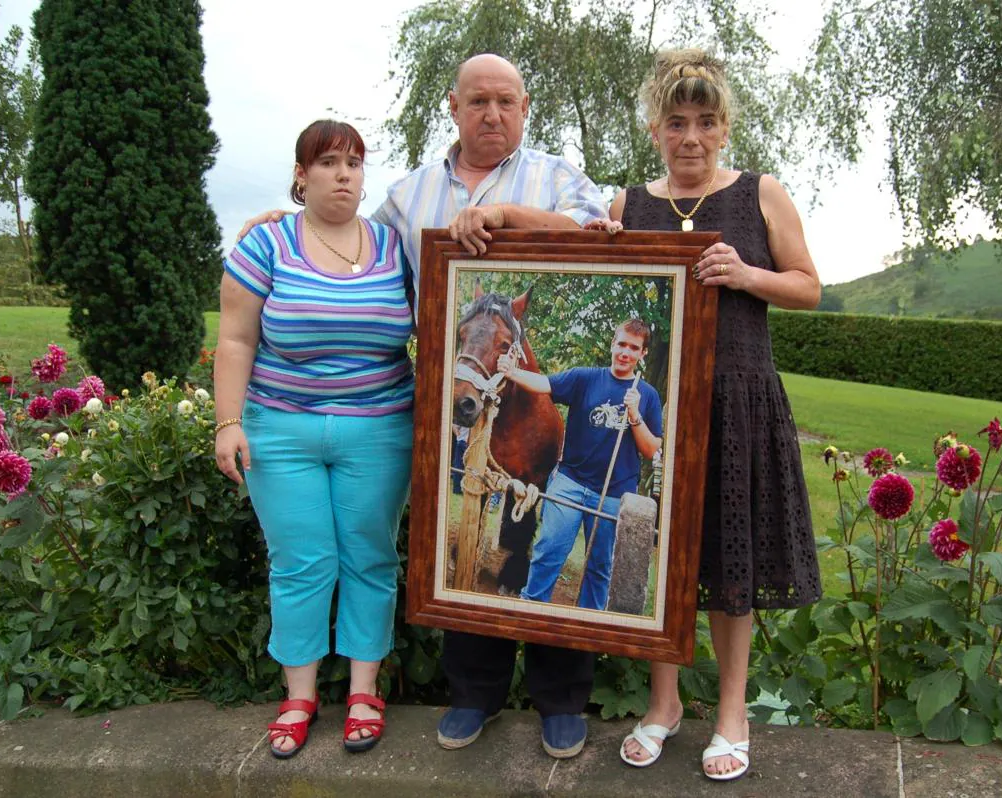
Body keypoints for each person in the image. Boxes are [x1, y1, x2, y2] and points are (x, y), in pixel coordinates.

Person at [237, 55, 607, 760]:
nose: (492, 114)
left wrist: (502, 216)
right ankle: (474, 693)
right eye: (477, 102)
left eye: (505, 101)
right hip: (446, 404)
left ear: (525, 107)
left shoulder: (557, 177)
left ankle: (562, 699)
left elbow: (597, 230)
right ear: (453, 106)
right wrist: (281, 224)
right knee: (461, 540)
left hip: (518, 395)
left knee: (545, 530)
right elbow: (347, 238)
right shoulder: (407, 199)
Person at [606, 49, 823, 780]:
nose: (690, 136)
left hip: (738, 402)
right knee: (652, 556)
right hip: (661, 408)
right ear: (655, 129)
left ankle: (731, 716)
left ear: (723, 126)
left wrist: (748, 274)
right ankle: (662, 705)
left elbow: (808, 287)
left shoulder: (762, 193)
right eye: (676, 122)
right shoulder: (627, 205)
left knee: (732, 559)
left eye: (704, 122)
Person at [214, 119, 414, 759]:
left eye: (354, 162)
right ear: (302, 175)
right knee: (302, 563)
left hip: (379, 430)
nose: (343, 174)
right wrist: (228, 422)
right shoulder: (266, 244)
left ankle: (362, 692)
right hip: (282, 430)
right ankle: (299, 696)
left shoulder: (393, 246)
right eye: (328, 162)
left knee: (370, 558)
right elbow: (236, 340)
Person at [496, 320, 662, 610]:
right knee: (549, 551)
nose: (625, 352)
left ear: (643, 353)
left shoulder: (647, 395)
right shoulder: (585, 379)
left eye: (633, 348)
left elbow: (650, 449)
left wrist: (634, 414)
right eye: (621, 344)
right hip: (570, 483)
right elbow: (544, 384)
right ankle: (531, 609)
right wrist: (512, 372)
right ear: (613, 344)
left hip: (614, 494)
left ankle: (588, 626)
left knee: (600, 568)